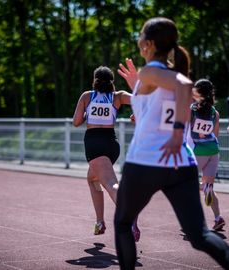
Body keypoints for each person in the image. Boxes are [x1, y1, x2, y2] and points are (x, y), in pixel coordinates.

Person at [114, 17, 229, 269]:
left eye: (139, 36)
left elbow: (185, 86)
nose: (138, 42)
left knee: (123, 224)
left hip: (146, 162)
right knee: (200, 236)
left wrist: (178, 132)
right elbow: (157, 111)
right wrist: (137, 88)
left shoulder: (152, 72)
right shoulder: (159, 75)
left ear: (148, 43)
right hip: (181, 164)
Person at [73, 66, 140, 242]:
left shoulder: (87, 96)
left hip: (95, 144)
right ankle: (100, 222)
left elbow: (76, 122)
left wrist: (90, 113)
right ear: (112, 81)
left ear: (94, 80)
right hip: (111, 144)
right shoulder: (118, 96)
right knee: (92, 179)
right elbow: (143, 100)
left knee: (110, 184)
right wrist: (136, 114)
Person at [190, 79, 225, 230]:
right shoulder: (214, 112)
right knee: (209, 186)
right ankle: (218, 218)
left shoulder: (192, 109)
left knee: (186, 184)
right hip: (214, 151)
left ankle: (194, 220)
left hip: (199, 152)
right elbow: (215, 134)